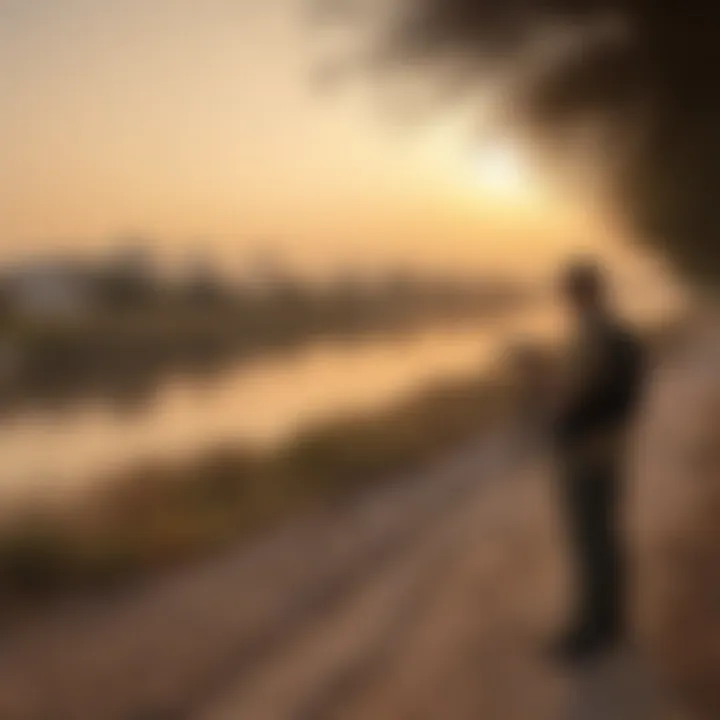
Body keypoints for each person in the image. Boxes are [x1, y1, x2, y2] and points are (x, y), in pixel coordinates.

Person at [550, 260, 645, 663]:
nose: (565, 301)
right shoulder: (619, 334)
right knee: (604, 536)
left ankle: (594, 627)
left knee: (591, 541)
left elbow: (579, 397)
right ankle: (611, 621)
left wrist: (555, 415)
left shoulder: (594, 336)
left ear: (584, 293)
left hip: (586, 454)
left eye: (570, 292)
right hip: (611, 448)